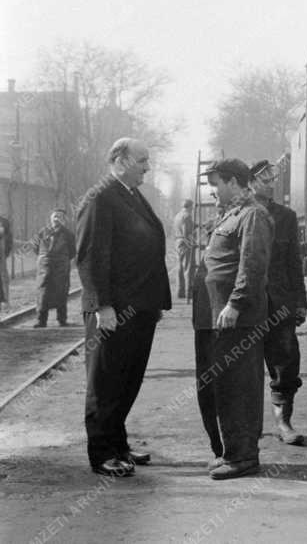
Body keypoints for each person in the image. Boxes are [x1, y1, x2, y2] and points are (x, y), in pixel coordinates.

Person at [76, 138, 171, 477]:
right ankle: (102, 453)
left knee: (127, 380)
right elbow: (90, 256)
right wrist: (103, 306)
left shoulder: (130, 194)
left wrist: (153, 301)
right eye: (142, 160)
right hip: (112, 311)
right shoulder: (99, 197)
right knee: (105, 382)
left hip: (138, 309)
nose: (148, 166)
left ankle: (118, 445)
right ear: (120, 159)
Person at [193, 158, 272, 480]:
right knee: (220, 387)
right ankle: (230, 451)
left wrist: (236, 303)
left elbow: (252, 264)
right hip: (215, 317)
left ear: (234, 182)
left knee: (238, 388)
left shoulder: (253, 215)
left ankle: (243, 457)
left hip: (235, 318)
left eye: (216, 183)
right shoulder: (232, 214)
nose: (212, 190)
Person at [250, 159, 307, 445]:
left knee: (285, 364)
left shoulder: (286, 216)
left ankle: (283, 422)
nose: (271, 184)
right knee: (243, 367)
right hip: (247, 305)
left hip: (280, 303)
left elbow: (294, 262)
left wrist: (300, 302)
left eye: (273, 179)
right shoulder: (239, 213)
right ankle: (247, 426)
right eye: (264, 179)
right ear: (250, 183)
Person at [31, 209, 75, 327]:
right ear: (50, 218)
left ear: (64, 220)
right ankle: (41, 320)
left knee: (61, 291)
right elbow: (35, 247)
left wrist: (61, 259)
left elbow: (72, 252)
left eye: (60, 217)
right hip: (44, 268)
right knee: (42, 293)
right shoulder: (42, 232)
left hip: (61, 268)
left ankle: (62, 320)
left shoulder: (69, 235)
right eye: (54, 216)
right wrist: (44, 258)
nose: (56, 219)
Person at [173, 199, 196, 300]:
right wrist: (192, 243)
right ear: (190, 206)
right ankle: (188, 293)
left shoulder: (177, 215)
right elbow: (187, 232)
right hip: (185, 243)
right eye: (192, 207)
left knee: (180, 267)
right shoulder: (187, 216)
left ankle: (180, 292)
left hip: (177, 242)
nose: (193, 209)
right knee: (188, 267)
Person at [0, 213, 13, 313]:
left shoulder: (4, 222)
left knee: (3, 277)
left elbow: (9, 239)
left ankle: (5, 301)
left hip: (1, 254)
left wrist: (5, 253)